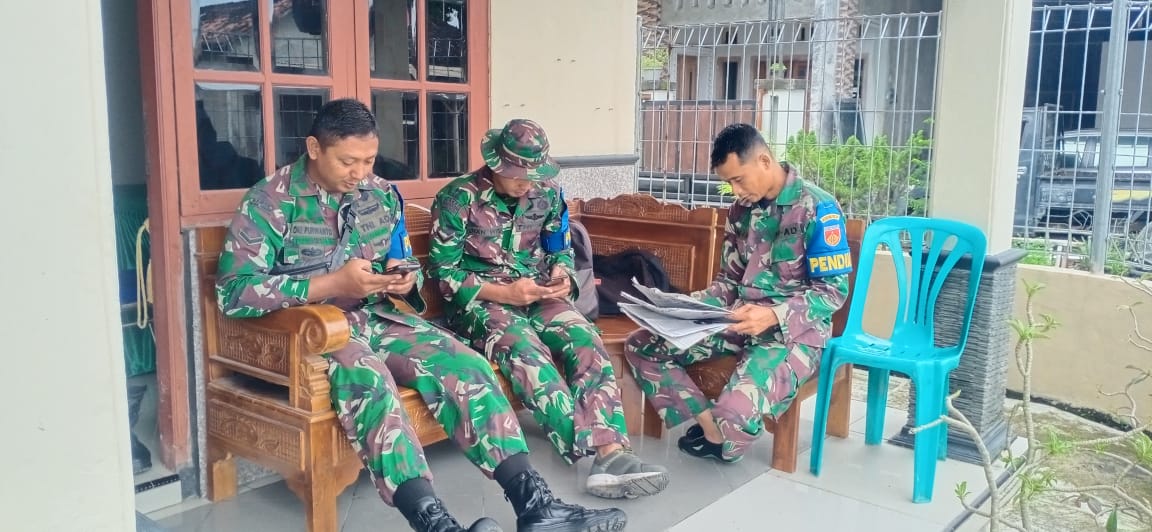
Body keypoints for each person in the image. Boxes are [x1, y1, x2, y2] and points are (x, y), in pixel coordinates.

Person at [215, 99, 627, 532]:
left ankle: (536, 506)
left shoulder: (378, 194)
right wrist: (330, 285)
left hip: (377, 316)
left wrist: (400, 279)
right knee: (370, 380)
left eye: (368, 160)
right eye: (348, 161)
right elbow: (233, 292)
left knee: (465, 366)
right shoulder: (269, 200)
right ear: (314, 148)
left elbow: (405, 262)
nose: (359, 173)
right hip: (310, 331)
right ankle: (434, 523)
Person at [428, 119, 669, 500]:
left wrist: (562, 274)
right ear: (496, 165)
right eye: (518, 175)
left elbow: (560, 247)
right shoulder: (458, 199)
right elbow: (443, 274)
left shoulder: (548, 192)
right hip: (482, 302)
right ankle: (600, 455)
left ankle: (610, 454)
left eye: (534, 174)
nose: (527, 183)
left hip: (539, 293)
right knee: (527, 351)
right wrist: (504, 294)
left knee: (585, 338)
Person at [625, 123, 852, 463]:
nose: (734, 191)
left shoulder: (817, 207)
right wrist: (686, 308)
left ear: (764, 160)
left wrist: (773, 315)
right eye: (728, 182)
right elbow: (728, 281)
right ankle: (710, 428)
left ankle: (723, 430)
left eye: (738, 179)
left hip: (794, 333)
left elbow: (832, 292)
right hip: (737, 319)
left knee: (734, 417)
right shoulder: (741, 211)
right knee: (640, 345)